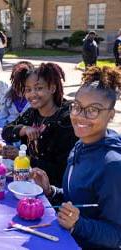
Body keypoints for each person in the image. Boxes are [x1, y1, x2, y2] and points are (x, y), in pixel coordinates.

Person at [31, 66, 121, 250]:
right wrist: (51, 192)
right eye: (77, 106)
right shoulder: (81, 144)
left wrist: (77, 224)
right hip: (64, 237)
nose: (80, 116)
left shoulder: (113, 165)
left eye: (93, 110)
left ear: (111, 115)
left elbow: (116, 235)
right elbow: (80, 198)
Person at [2, 63, 78, 188]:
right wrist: (23, 129)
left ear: (52, 88)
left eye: (38, 88)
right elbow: (6, 132)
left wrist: (23, 158)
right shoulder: (33, 113)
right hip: (27, 182)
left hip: (50, 192)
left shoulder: (66, 121)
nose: (32, 94)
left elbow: (60, 171)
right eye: (28, 89)